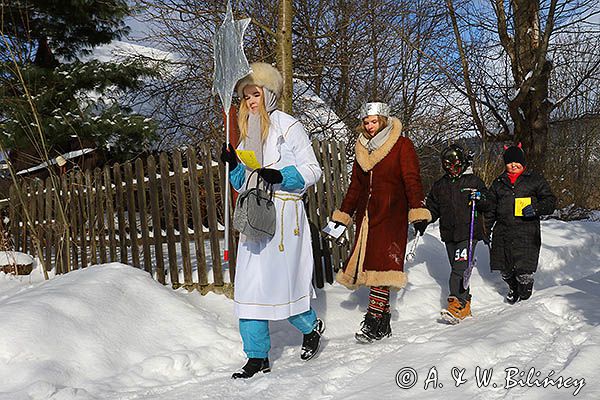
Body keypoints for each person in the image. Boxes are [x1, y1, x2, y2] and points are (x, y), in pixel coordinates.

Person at [220, 62, 324, 379]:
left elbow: (312, 170)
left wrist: (281, 175)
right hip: (254, 215)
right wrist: (232, 165)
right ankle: (256, 357)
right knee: (250, 288)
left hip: (284, 215)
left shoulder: (288, 126)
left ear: (269, 94)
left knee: (284, 284)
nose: (251, 101)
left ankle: (310, 328)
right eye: (246, 96)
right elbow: (240, 183)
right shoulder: (246, 134)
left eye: (256, 94)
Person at [331, 102, 431, 343]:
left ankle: (374, 320)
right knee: (371, 266)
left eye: (373, 121)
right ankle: (382, 322)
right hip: (366, 215)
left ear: (384, 120)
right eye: (366, 122)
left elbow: (411, 178)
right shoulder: (362, 147)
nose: (369, 126)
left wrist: (417, 210)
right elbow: (356, 186)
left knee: (382, 267)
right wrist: (343, 215)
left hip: (391, 213)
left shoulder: (401, 145)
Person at [424, 144, 491, 323]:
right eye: (447, 165)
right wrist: (424, 219)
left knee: (458, 270)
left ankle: (456, 303)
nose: (451, 168)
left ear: (461, 162)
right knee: (459, 269)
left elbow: (489, 202)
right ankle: (465, 305)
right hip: (449, 234)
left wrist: (480, 197)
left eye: (454, 163)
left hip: (468, 233)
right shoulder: (440, 186)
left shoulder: (473, 182)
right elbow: (432, 208)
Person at [485, 143, 556, 304]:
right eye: (510, 162)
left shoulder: (535, 180)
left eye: (517, 162)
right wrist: (485, 229)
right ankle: (513, 287)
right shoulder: (498, 183)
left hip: (527, 231)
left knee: (524, 270)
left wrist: (536, 208)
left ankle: (524, 295)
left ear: (523, 163)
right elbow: (490, 209)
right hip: (503, 231)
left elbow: (551, 201)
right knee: (505, 269)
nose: (513, 165)